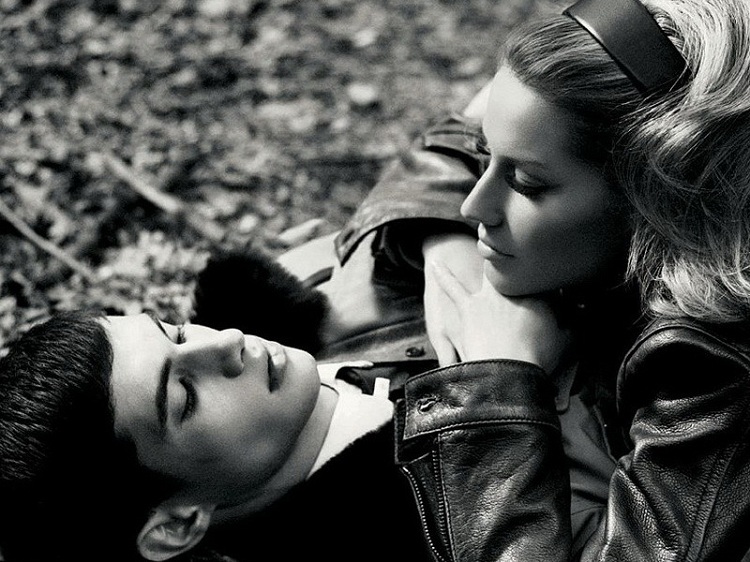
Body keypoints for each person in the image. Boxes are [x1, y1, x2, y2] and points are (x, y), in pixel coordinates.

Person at [335, 0, 750, 559]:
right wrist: (446, 252)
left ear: (657, 195)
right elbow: (451, 141)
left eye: (527, 184)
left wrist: (496, 386)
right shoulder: (640, 88)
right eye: (485, 156)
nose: (473, 206)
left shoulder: (711, 365)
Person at [0, 246, 615, 562]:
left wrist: (443, 243)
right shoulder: (436, 530)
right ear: (177, 524)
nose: (228, 341)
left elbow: (470, 132)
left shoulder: (292, 290)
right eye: (185, 395)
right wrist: (505, 384)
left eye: (176, 332)